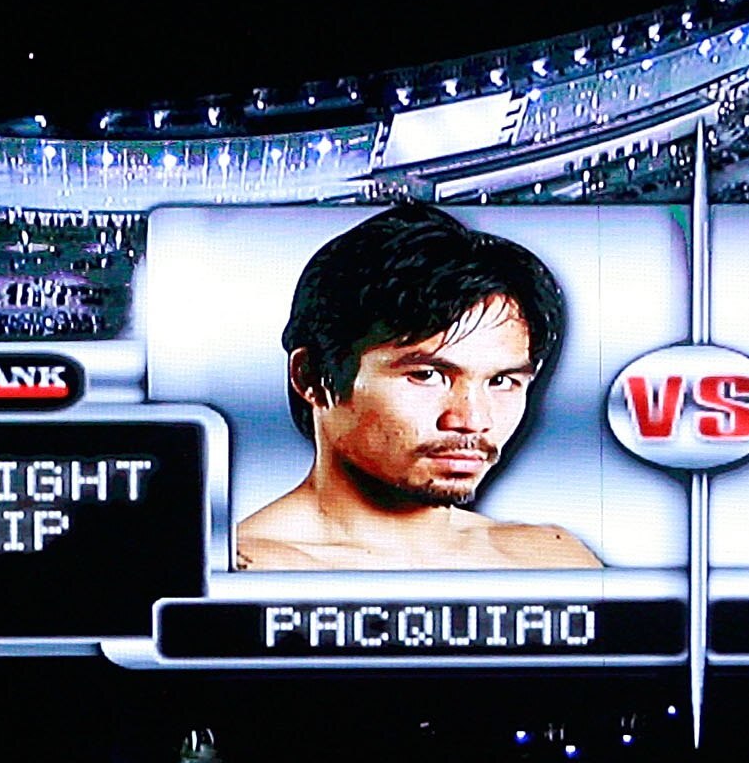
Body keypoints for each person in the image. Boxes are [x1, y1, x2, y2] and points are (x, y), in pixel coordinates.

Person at [236, 203, 602, 570]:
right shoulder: (240, 572)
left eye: (500, 381)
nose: (472, 420)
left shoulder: (554, 560)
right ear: (311, 377)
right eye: (427, 375)